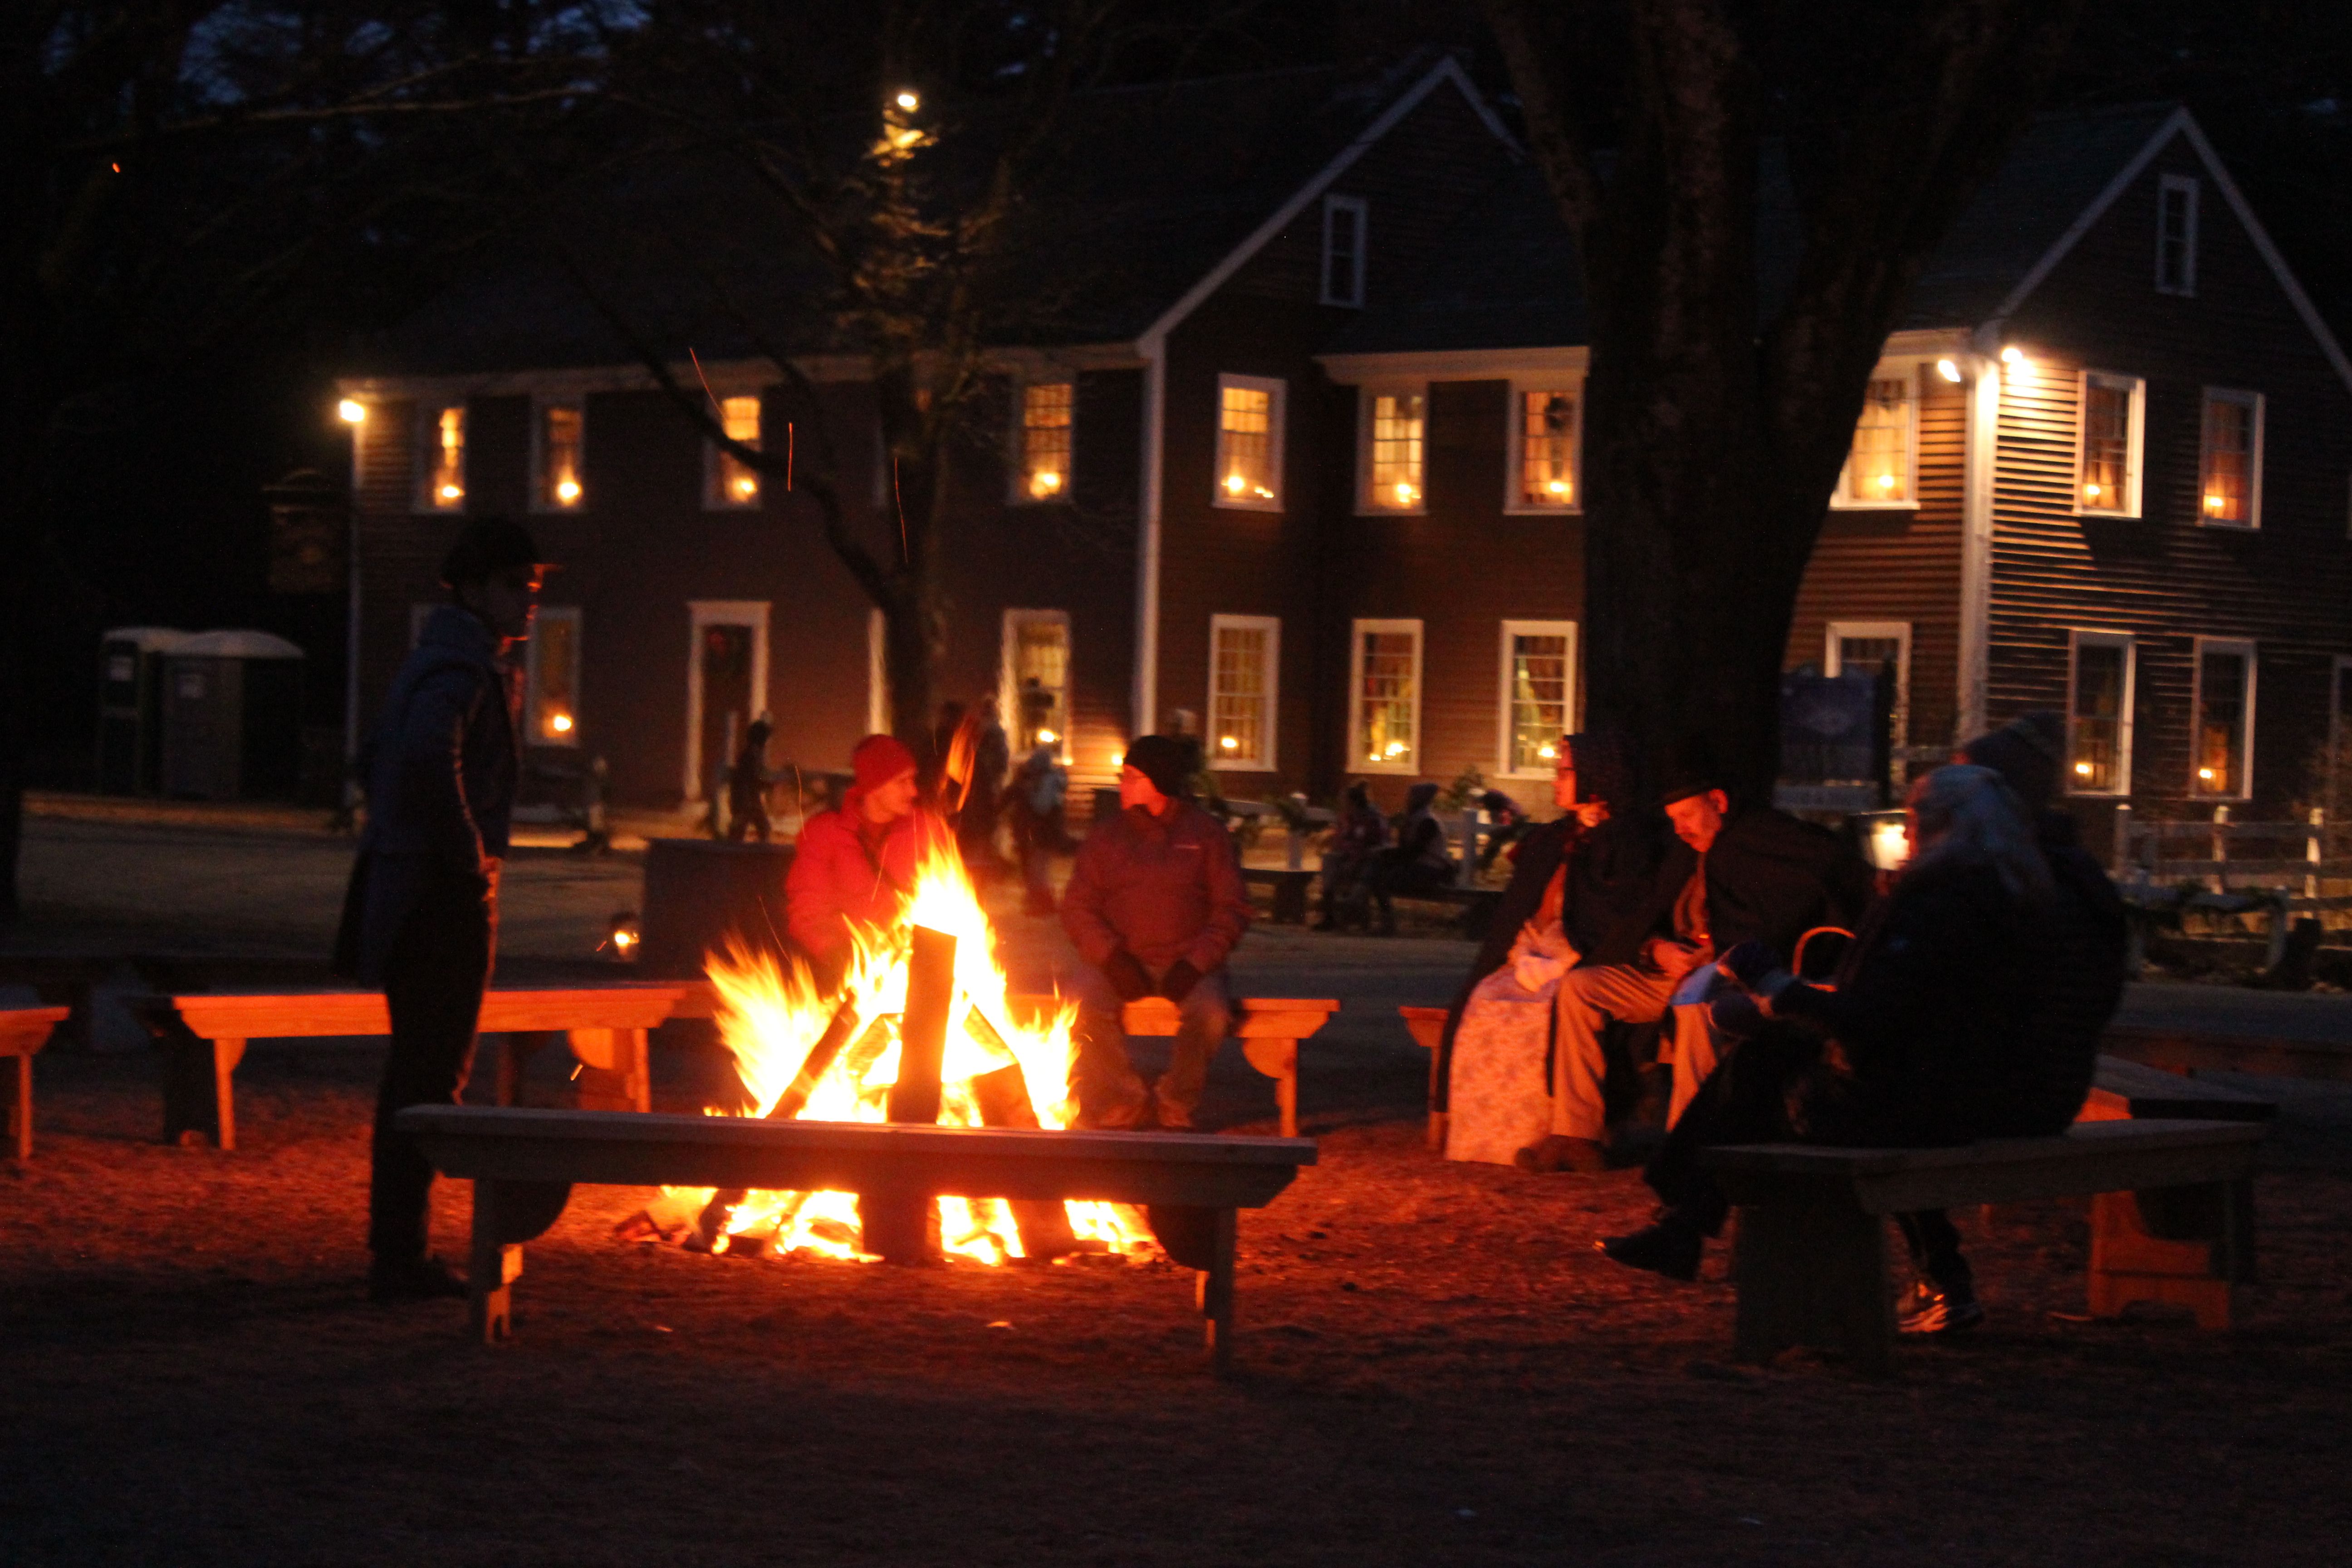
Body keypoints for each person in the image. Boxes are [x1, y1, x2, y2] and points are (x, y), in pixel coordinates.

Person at [1600, 765, 2054, 1298]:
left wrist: (1778, 990)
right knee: (1773, 1055)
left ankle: (1699, 1229)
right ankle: (1941, 1277)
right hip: (1964, 1082)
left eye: (1913, 820)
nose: (1905, 834)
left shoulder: (1937, 902)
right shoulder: (2003, 891)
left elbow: (1872, 1016)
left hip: (1926, 1096)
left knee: (1764, 1073)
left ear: (1946, 824)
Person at [333, 517, 541, 1303]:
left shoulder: (440, 660)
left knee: (416, 1075)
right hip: (439, 900)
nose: (529, 601)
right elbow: (422, 756)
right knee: (429, 1078)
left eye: (534, 587)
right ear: (476, 590)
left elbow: (374, 758)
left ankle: (398, 1248)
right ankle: (400, 1257)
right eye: (517, 586)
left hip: (411, 887)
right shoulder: (460, 668)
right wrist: (465, 855)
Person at [1517, 770, 1873, 1174]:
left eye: (1687, 815)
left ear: (1719, 803)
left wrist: (1715, 956)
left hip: (1737, 976)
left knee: (1696, 1001)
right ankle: (1575, 1135)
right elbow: (1645, 914)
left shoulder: (1764, 842)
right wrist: (1657, 950)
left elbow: (1777, 923)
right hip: (1674, 971)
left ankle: (1687, 1144)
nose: (1680, 829)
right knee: (1581, 987)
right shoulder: (1684, 853)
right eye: (1673, 820)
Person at [1436, 734, 1638, 1162]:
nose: (1556, 781)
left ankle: (1549, 1132)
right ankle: (1485, 1137)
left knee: (1546, 1013)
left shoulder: (1624, 844)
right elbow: (1519, 909)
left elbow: (1611, 917)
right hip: (1532, 949)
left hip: (1579, 958)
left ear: (1596, 779)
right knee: (1486, 1000)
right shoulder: (1550, 840)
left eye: (1565, 772)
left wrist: (1572, 950)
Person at [1060, 735, 1252, 1128]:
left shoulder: (1206, 836)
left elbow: (1231, 909)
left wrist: (1196, 963)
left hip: (1186, 962)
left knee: (1212, 1013)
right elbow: (1078, 907)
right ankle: (1121, 1099)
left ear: (1159, 782)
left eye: (1131, 776)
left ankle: (1176, 1101)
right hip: (1122, 960)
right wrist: (1111, 958)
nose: (1121, 784)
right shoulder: (1106, 838)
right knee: (1080, 1003)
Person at [784, 734, 954, 991]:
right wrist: (839, 955)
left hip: (913, 974)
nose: (914, 791)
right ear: (875, 786)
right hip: (847, 975)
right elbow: (808, 910)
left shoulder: (927, 831)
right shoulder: (825, 834)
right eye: (902, 782)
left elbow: (949, 903)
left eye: (913, 780)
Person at [1360, 781, 1455, 935]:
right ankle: (1366, 908)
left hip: (1429, 871)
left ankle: (1385, 922)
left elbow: (1412, 853)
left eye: (1411, 797)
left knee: (1380, 878)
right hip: (1419, 867)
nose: (1408, 800)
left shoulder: (1428, 822)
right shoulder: (1415, 820)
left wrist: (1386, 855)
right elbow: (1407, 851)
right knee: (1376, 868)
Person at [1315, 782, 1389, 931]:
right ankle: (1329, 913)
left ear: (1354, 801)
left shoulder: (1372, 819)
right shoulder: (1347, 818)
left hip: (1369, 859)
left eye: (1344, 799)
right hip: (1349, 857)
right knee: (1330, 859)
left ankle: (1348, 909)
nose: (1341, 802)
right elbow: (1342, 840)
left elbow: (1374, 845)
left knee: (1354, 866)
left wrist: (1354, 859)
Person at [1008, 741, 1070, 915]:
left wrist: (1030, 792)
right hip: (1046, 832)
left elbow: (1041, 807)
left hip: (1045, 832)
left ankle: (1044, 907)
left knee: (1039, 871)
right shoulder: (1052, 780)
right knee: (1038, 870)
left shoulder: (1048, 782)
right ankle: (1040, 905)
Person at [957, 695, 1012, 877]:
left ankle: (983, 870)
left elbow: (997, 764)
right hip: (979, 792)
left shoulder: (990, 734)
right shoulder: (985, 734)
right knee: (980, 834)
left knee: (981, 833)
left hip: (982, 791)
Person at [725, 714, 775, 843]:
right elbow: (754, 778)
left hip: (746, 800)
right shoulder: (753, 754)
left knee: (748, 830)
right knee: (760, 828)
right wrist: (769, 784)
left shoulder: (751, 753)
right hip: (747, 801)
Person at [1475, 788, 1530, 873]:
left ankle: (1485, 865)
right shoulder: (1494, 797)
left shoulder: (1491, 800)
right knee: (1497, 842)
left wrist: (1496, 829)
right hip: (1516, 819)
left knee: (1496, 842)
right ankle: (1485, 865)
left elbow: (1499, 816)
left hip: (1514, 821)